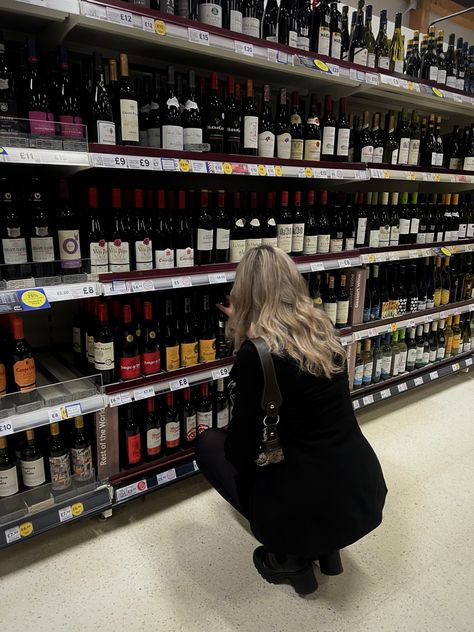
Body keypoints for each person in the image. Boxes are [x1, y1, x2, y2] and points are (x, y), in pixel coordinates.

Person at [195, 246, 387, 595]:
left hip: (304, 500)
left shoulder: (258, 355)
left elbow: (240, 451)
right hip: (360, 486)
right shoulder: (322, 328)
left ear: (244, 292)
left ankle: (287, 560)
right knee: (308, 448)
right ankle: (327, 551)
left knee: (210, 446)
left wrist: (243, 338)